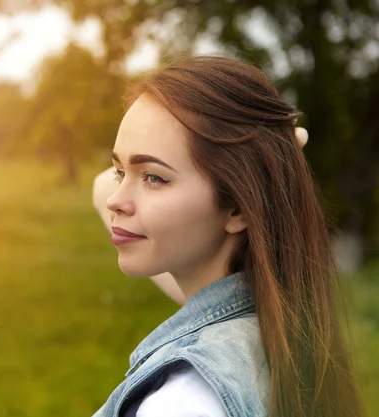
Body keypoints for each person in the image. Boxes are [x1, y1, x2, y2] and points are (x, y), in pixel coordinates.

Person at [89, 55, 364, 417]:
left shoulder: (180, 403)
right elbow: (98, 189)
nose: (115, 200)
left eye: (154, 177)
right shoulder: (277, 319)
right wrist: (272, 160)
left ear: (238, 208)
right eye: (119, 171)